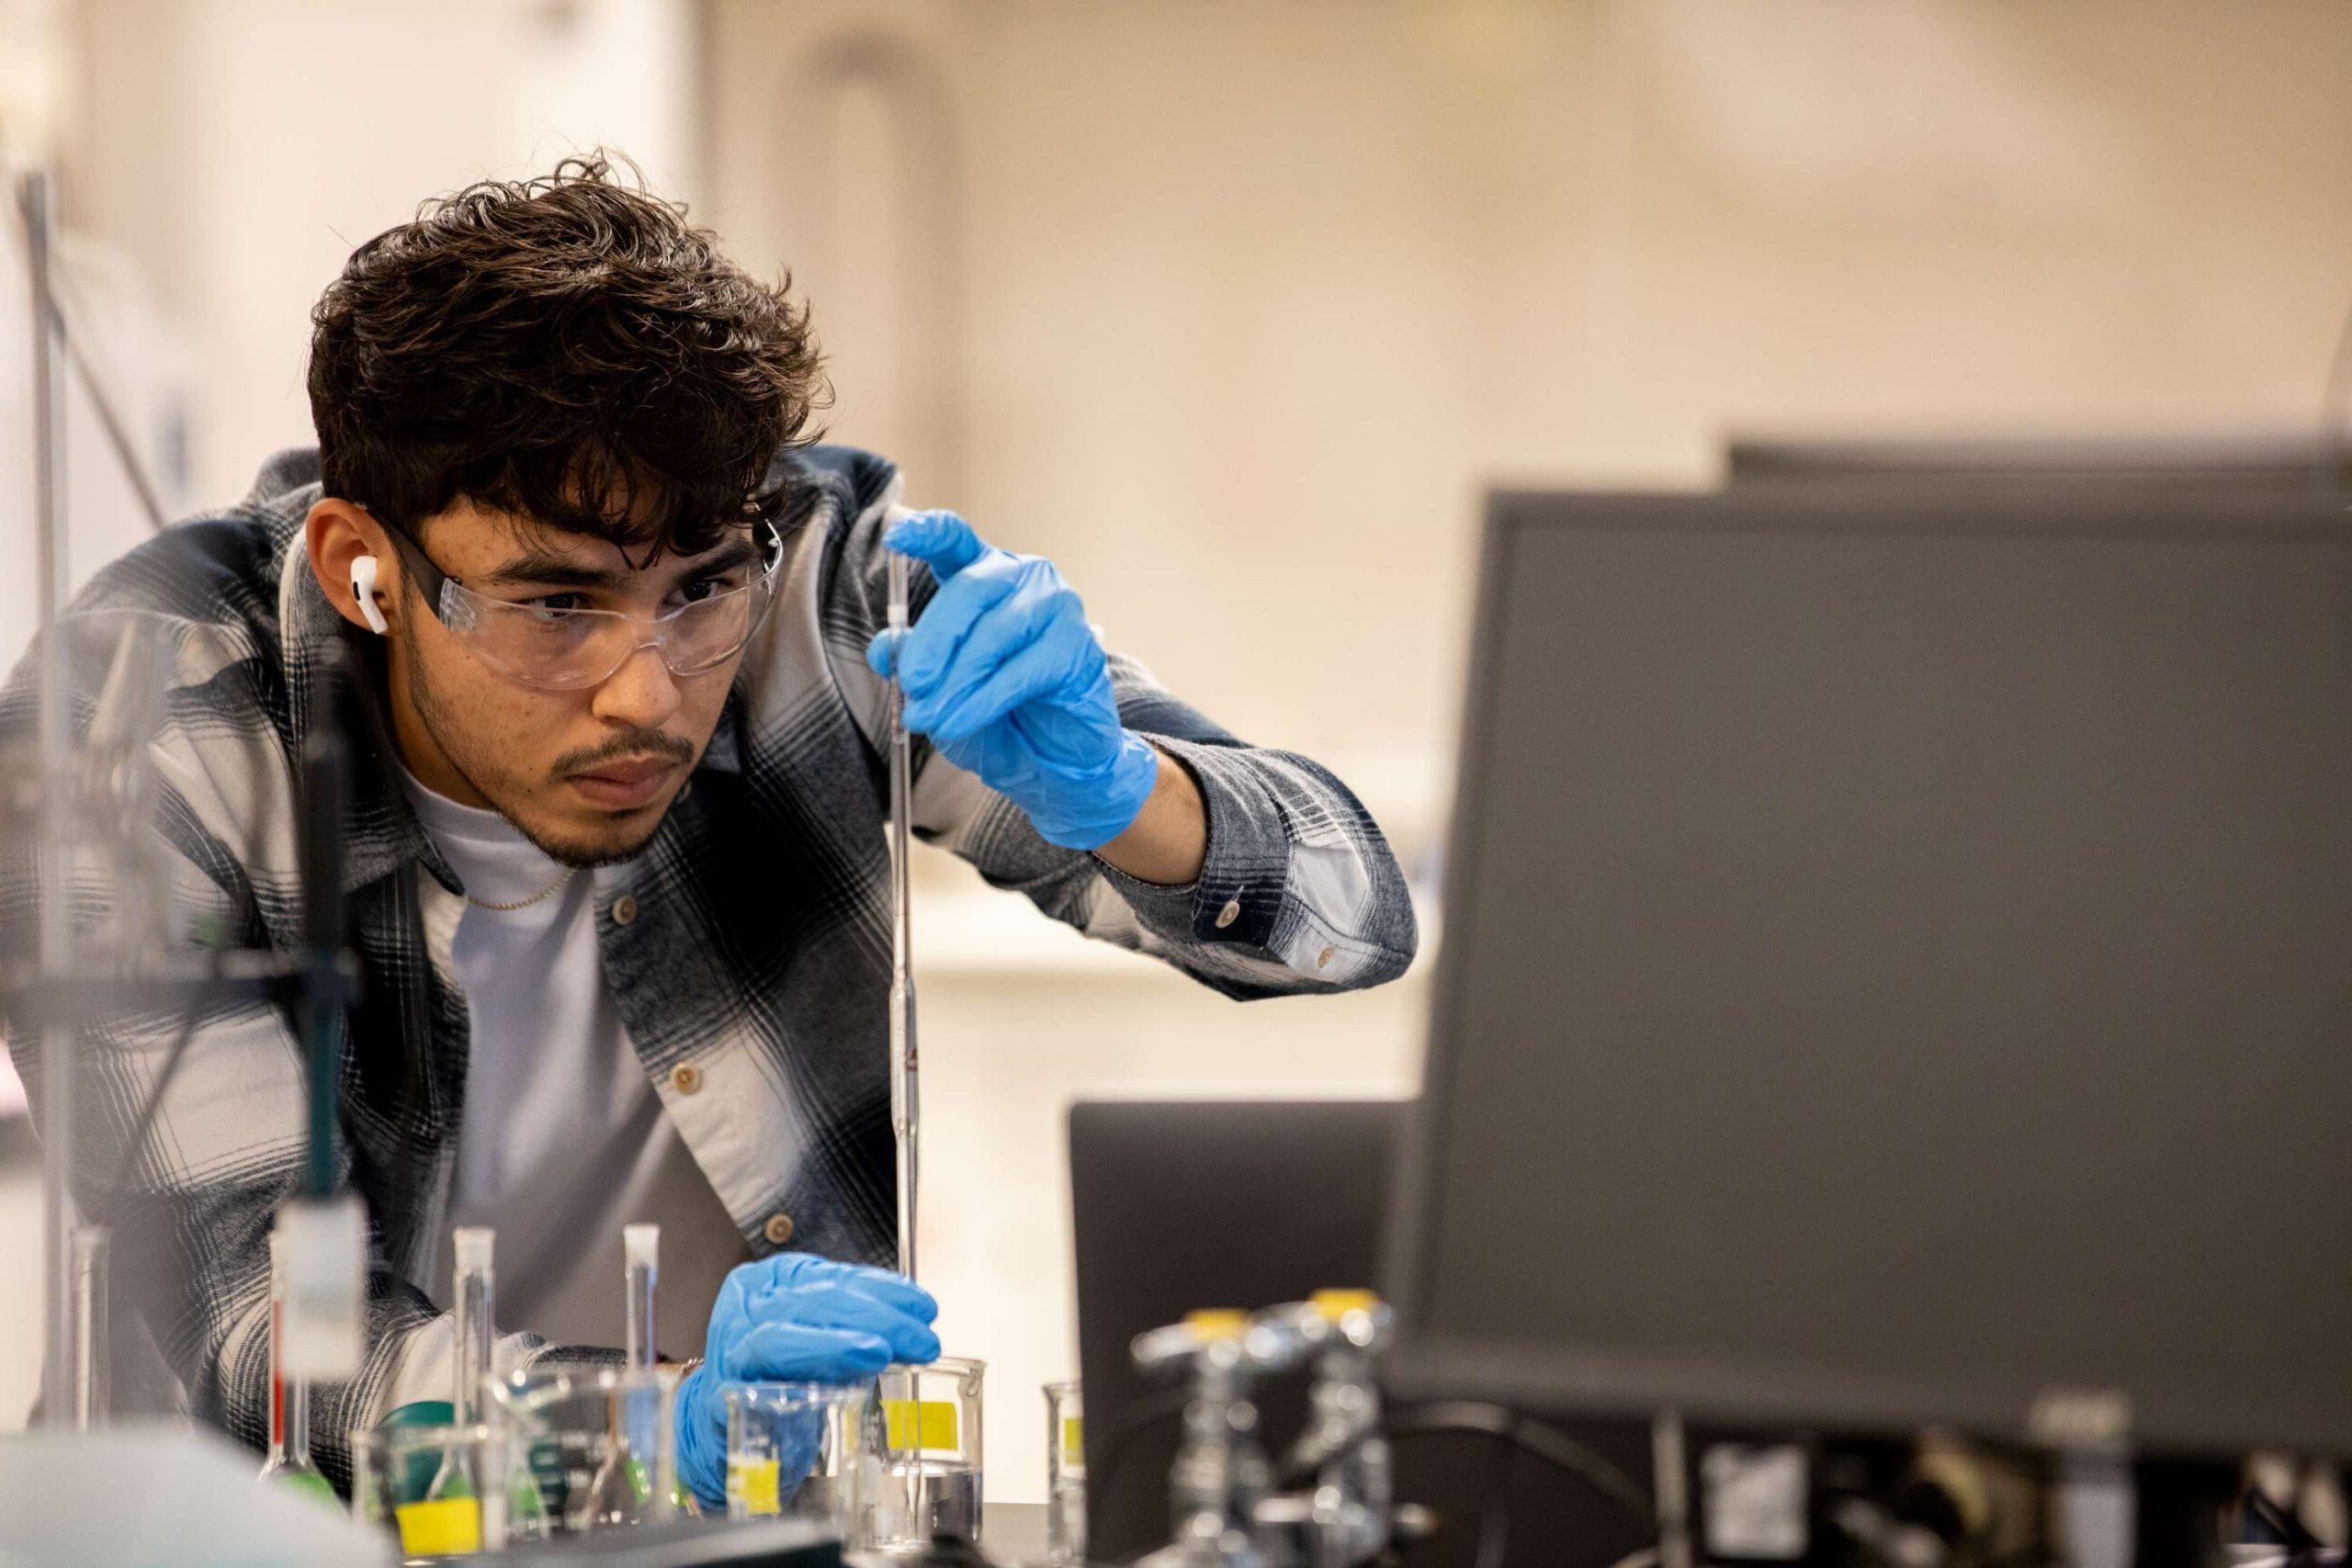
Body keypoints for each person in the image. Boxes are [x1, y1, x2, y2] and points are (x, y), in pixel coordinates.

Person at [0, 155, 1417, 1504]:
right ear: (363, 566)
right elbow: (263, 1348)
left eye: (699, 591)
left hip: (742, 1529)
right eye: (559, 606)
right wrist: (646, 1423)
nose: (649, 691)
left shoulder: (830, 585)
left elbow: (1354, 917)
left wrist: (1124, 796)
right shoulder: (135, 733)